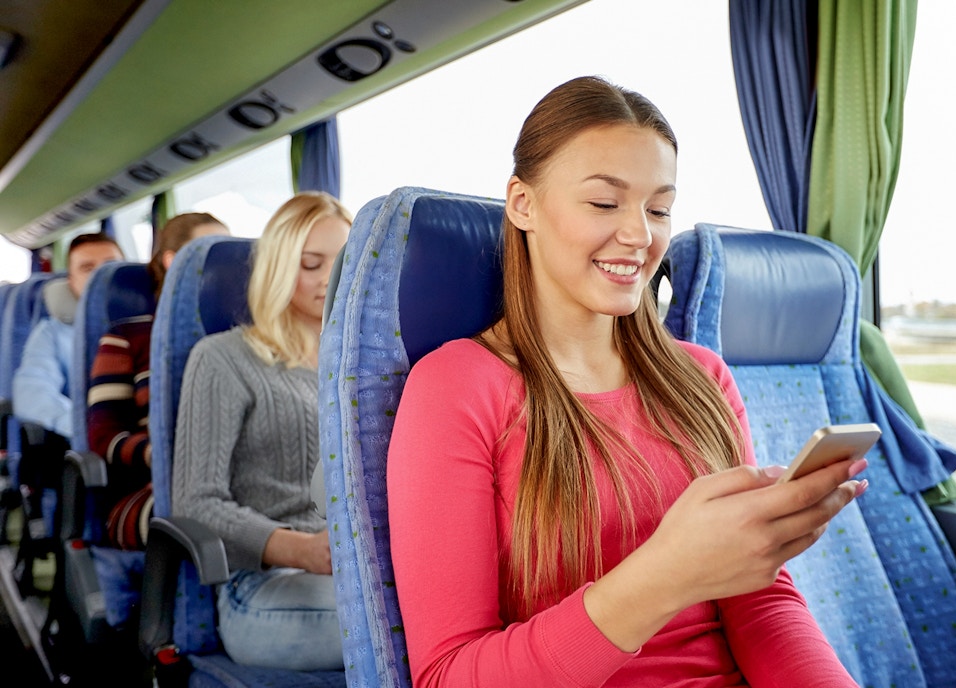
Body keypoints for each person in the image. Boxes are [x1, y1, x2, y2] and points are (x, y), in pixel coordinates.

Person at [386, 76, 868, 687]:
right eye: (604, 203)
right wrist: (667, 574)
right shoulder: (458, 387)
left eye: (659, 209)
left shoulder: (702, 378)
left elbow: (762, 600)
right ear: (523, 203)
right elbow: (448, 675)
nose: (641, 236)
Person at [172, 192, 351, 671]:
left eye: (344, 261)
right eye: (311, 264)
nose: (330, 278)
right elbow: (196, 502)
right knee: (405, 627)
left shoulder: (362, 366)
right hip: (261, 586)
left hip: (358, 573)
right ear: (277, 269)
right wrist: (301, 549)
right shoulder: (223, 359)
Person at [86, 212, 228, 551]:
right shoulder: (128, 336)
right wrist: (158, 454)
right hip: (148, 490)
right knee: (219, 527)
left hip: (234, 486)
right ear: (172, 261)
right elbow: (103, 436)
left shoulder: (246, 337)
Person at [13, 232, 125, 442]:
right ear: (71, 281)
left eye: (110, 266)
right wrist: (88, 428)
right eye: (88, 268)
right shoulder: (51, 333)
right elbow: (34, 393)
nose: (100, 277)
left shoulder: (151, 324)